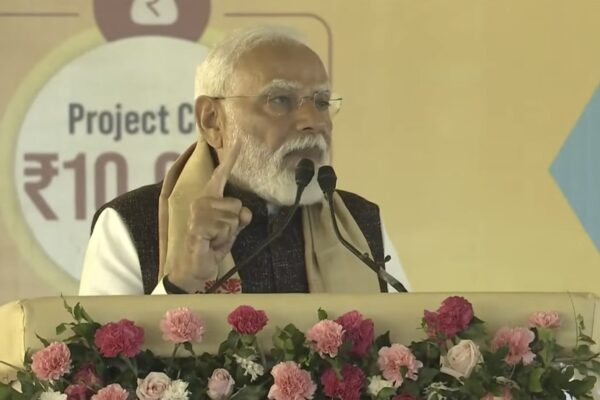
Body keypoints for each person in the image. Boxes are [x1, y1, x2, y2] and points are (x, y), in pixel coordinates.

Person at [79, 27, 410, 295]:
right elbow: (102, 355)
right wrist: (181, 281)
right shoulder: (131, 222)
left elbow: (406, 344)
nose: (313, 121)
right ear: (212, 120)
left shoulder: (358, 224)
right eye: (280, 100)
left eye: (322, 102)